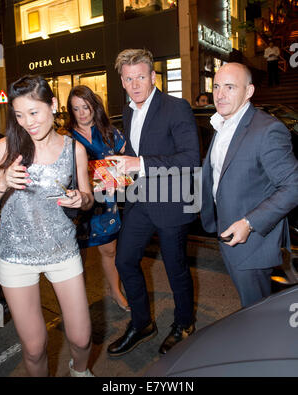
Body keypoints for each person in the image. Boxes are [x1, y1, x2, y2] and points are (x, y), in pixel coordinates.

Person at [0, 75, 95, 377]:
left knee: (81, 337)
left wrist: (81, 199)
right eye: (19, 114)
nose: (27, 122)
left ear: (52, 105)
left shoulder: (73, 149)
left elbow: (89, 198)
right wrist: (2, 182)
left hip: (62, 249)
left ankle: (80, 372)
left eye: (34, 112)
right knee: (35, 347)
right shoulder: (5, 148)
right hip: (16, 256)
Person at [106, 48, 200, 356]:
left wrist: (139, 164)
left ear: (153, 77)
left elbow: (190, 159)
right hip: (139, 199)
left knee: (175, 269)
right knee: (124, 260)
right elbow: (136, 152)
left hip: (172, 200)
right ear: (122, 80)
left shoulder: (177, 107)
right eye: (129, 78)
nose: (135, 84)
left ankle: (184, 324)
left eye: (141, 77)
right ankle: (143, 322)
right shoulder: (128, 110)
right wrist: (118, 172)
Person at [200, 62, 298, 307]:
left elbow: (293, 186)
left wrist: (249, 223)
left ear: (249, 91)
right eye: (217, 86)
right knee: (250, 310)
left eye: (230, 87)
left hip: (252, 243)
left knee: (256, 315)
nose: (220, 95)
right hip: (227, 233)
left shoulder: (267, 130)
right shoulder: (222, 123)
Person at [66, 85, 129, 311]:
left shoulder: (109, 132)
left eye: (86, 107)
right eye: (76, 109)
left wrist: (118, 172)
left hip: (105, 202)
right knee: (76, 257)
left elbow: (126, 161)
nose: (82, 113)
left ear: (94, 106)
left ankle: (115, 291)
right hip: (77, 205)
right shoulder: (65, 138)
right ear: (70, 111)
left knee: (109, 250)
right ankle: (77, 302)